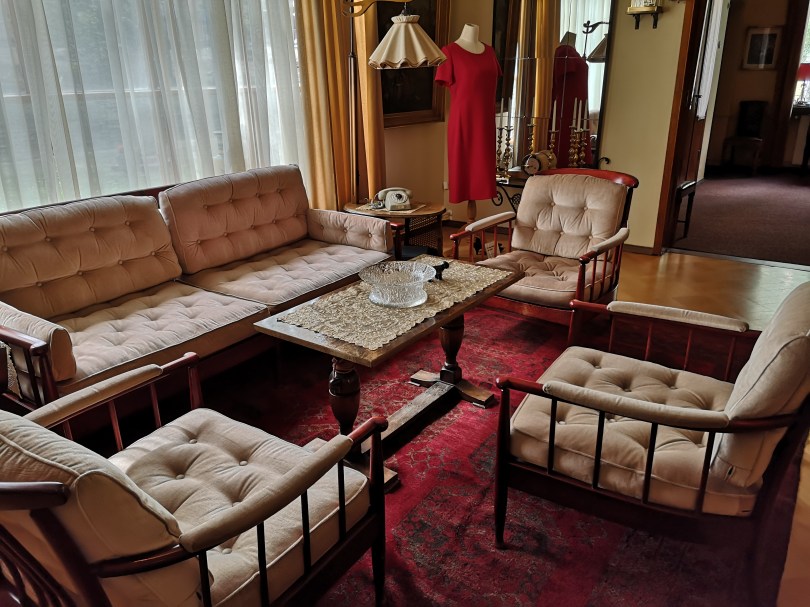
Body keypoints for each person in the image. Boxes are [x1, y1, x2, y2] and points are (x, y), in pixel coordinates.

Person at [435, 23, 501, 220]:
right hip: (463, 122)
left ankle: (473, 224)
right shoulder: (449, 52)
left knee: (482, 171)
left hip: (485, 123)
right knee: (464, 171)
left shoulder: (490, 52)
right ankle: (469, 224)